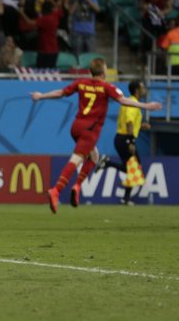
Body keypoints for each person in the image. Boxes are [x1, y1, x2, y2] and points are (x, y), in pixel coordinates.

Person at [31, 59, 163, 213]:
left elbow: (60, 93)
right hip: (89, 130)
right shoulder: (107, 87)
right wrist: (146, 106)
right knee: (77, 159)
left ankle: (77, 186)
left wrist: (41, 96)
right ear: (103, 71)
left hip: (76, 126)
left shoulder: (81, 83)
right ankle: (56, 190)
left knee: (94, 156)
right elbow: (124, 100)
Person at [97, 80, 151, 205]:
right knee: (134, 168)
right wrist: (131, 141)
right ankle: (108, 163)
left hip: (121, 138)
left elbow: (131, 122)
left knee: (133, 169)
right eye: (142, 87)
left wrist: (141, 126)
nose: (144, 90)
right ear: (137, 90)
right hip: (125, 139)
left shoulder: (128, 102)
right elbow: (129, 122)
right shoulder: (133, 103)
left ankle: (125, 199)